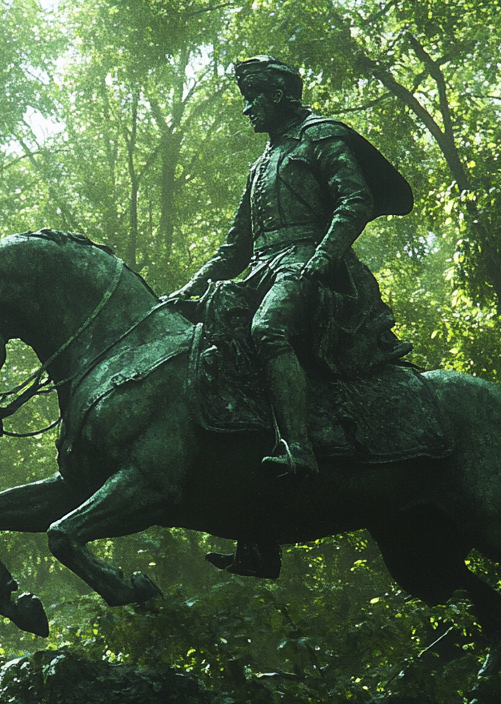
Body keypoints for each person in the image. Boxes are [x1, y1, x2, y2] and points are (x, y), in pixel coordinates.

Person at [166, 55, 412, 477]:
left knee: (267, 329)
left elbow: (356, 200)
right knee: (210, 333)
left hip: (314, 268)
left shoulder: (320, 136)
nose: (246, 109)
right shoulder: (261, 164)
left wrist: (324, 255)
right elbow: (234, 249)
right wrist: (190, 287)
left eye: (251, 99)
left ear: (277, 95)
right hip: (263, 271)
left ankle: (298, 448)